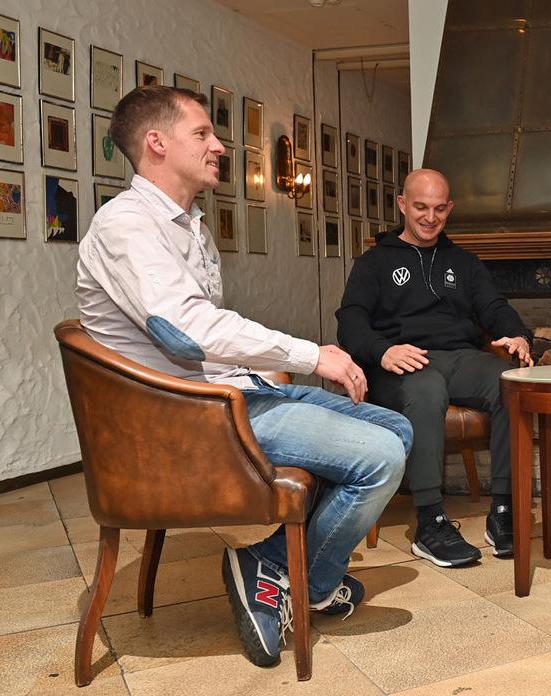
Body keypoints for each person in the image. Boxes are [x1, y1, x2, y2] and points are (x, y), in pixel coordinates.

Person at [76, 86, 411, 669]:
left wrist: (274, 373)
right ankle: (284, 569)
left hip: (228, 396)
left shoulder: (188, 224)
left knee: (397, 429)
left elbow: (207, 338)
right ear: (156, 143)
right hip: (187, 421)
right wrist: (311, 356)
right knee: (380, 457)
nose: (220, 146)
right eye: (202, 133)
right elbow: (185, 332)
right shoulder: (125, 225)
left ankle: (288, 567)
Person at [337, 168, 533, 566]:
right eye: (421, 207)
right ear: (402, 205)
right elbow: (351, 321)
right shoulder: (374, 263)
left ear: (450, 208)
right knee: (426, 388)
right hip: (399, 364)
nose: (430, 217)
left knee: (511, 381)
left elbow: (494, 307)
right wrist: (382, 351)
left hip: (459, 358)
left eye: (439, 209)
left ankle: (504, 511)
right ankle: (430, 522)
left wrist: (518, 335)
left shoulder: (463, 262)